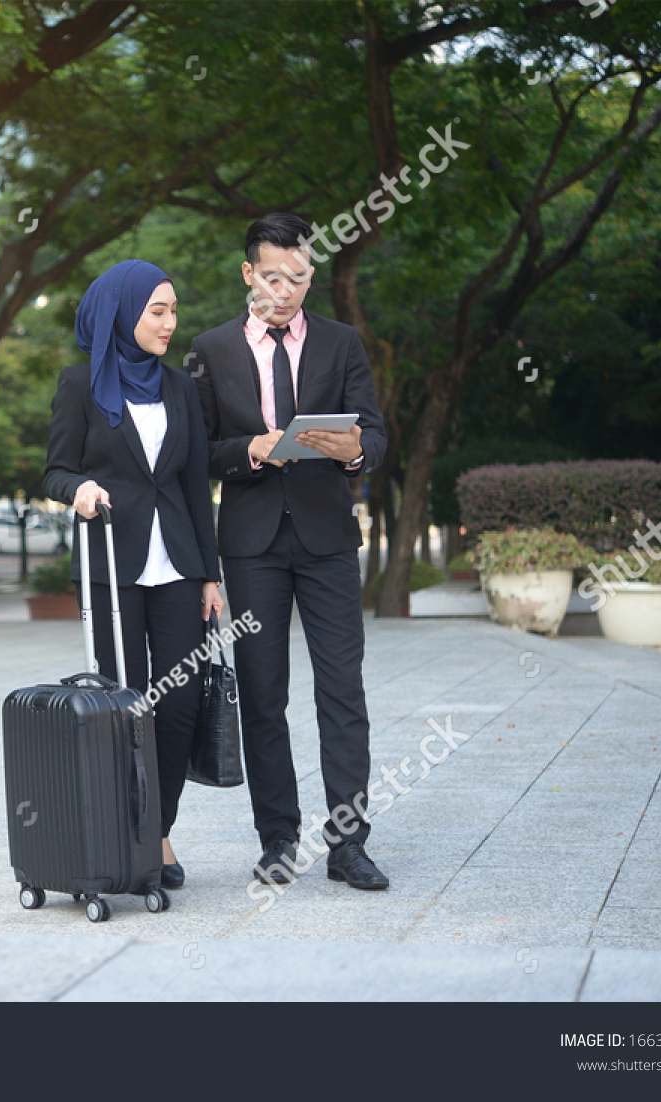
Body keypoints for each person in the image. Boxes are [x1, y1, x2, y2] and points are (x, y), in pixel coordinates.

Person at [190, 213, 391, 891]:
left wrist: (354, 448)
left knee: (343, 690)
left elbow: (376, 432)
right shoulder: (210, 350)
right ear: (250, 274)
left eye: (299, 277)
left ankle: (349, 843)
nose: (285, 290)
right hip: (251, 546)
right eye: (273, 276)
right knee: (262, 694)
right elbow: (200, 452)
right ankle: (277, 837)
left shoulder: (341, 343)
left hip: (328, 538)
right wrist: (247, 449)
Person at [43, 259, 225, 891]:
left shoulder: (180, 388)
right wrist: (81, 488)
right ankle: (121, 835)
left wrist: (210, 573)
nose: (170, 323)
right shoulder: (79, 385)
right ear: (122, 313)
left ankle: (159, 832)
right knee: (119, 711)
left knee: (174, 708)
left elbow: (196, 485)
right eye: (157, 311)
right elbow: (54, 470)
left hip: (177, 570)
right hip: (110, 573)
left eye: (174, 310)